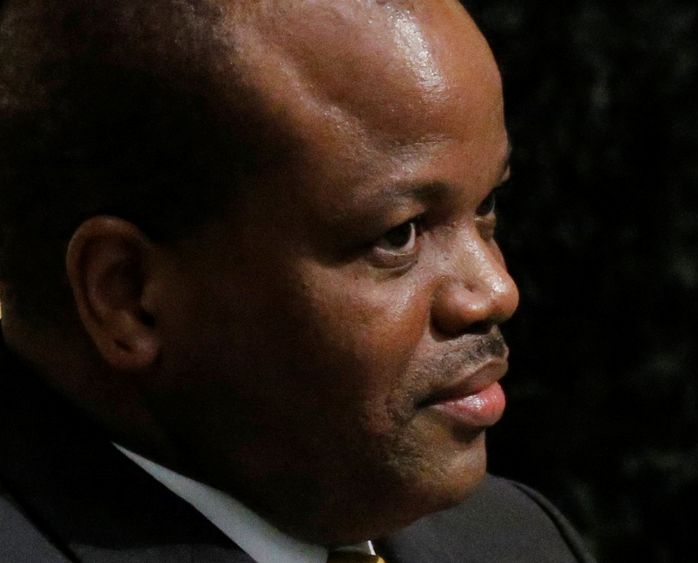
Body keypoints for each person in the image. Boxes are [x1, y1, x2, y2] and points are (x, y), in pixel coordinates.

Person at [0, 1, 595, 561]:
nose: (496, 290)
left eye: (486, 204)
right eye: (398, 236)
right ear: (129, 297)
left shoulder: (513, 539)